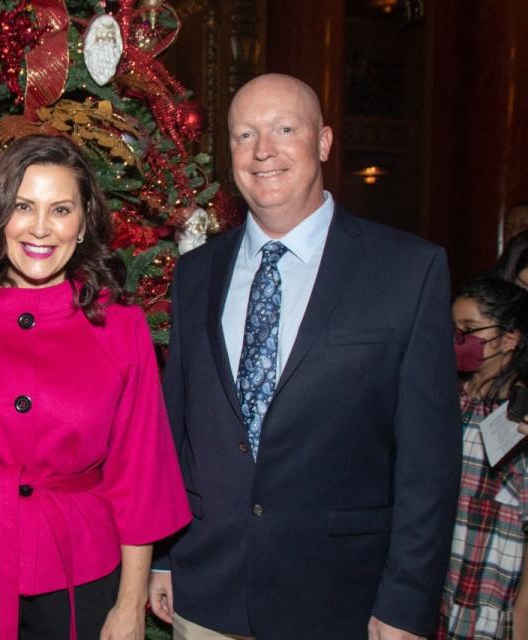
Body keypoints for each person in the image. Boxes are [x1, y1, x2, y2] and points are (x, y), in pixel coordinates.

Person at [148, 73, 461, 640]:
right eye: (244, 135)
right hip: (205, 590)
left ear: (322, 143)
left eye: (284, 129)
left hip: (341, 599)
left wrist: (406, 602)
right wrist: (164, 556)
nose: (263, 150)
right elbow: (178, 429)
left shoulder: (407, 271)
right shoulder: (195, 274)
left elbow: (429, 461)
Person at [0, 135, 191, 640]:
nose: (40, 228)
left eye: (60, 209)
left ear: (84, 221)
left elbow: (140, 476)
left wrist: (130, 606)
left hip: (82, 576)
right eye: (23, 206)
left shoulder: (121, 328)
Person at [439, 276, 528, 640]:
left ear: (509, 339)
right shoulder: (447, 398)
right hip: (441, 580)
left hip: (494, 585)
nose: (459, 340)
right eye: (454, 330)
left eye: (470, 330)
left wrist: (525, 612)